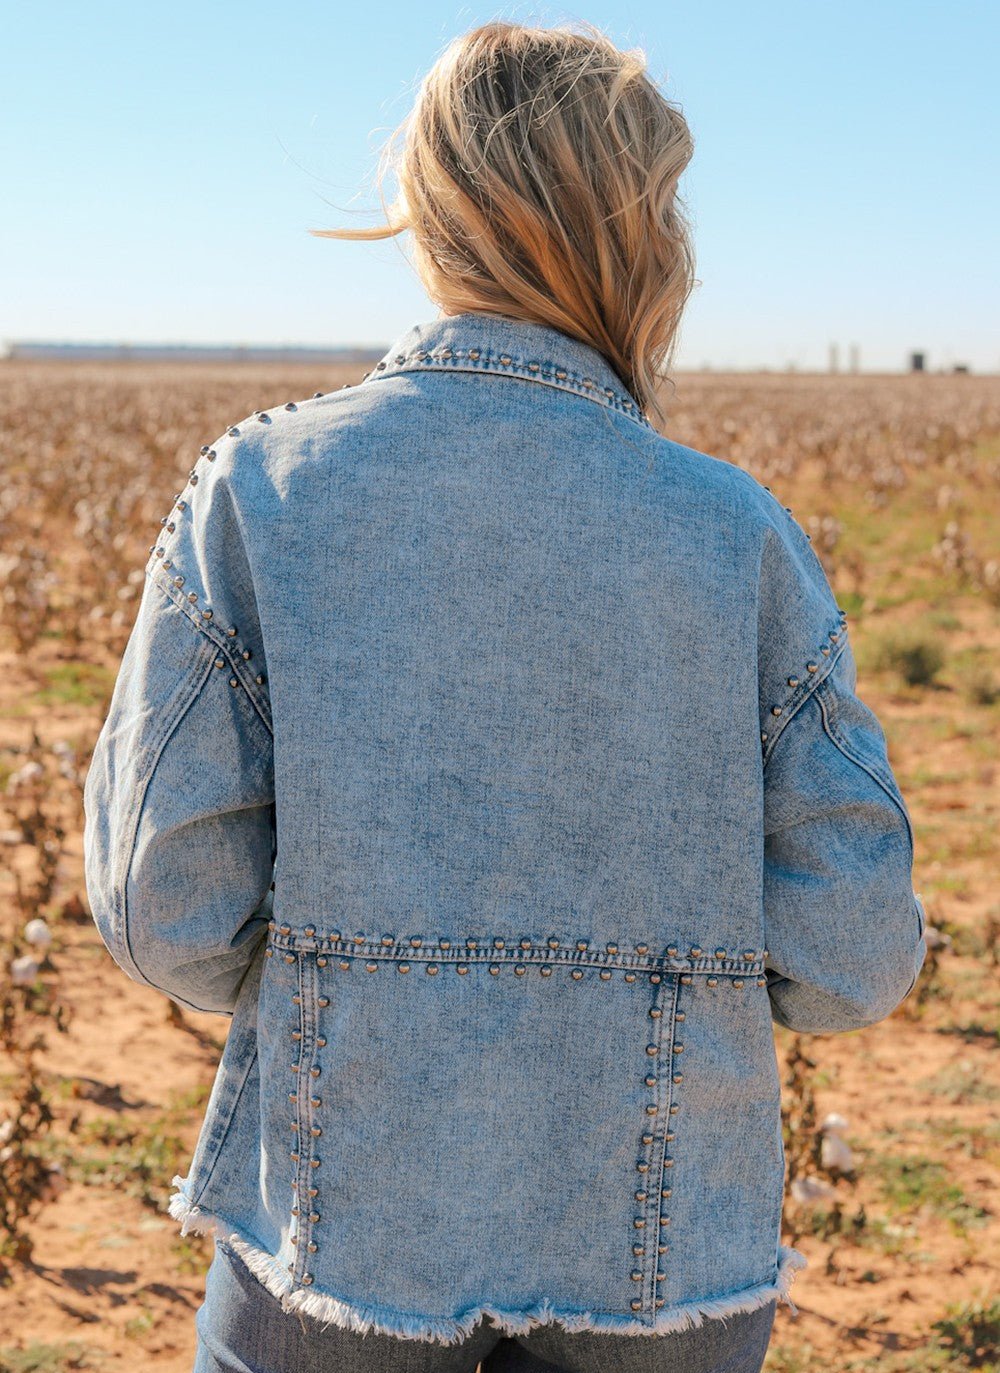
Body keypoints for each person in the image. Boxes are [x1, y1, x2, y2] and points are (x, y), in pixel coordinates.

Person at [82, 18, 926, 1373]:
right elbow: (853, 952)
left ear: (430, 214)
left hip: (331, 1238)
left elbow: (164, 908)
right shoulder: (738, 535)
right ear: (646, 233)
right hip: (670, 1273)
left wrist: (363, 986)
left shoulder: (258, 493)